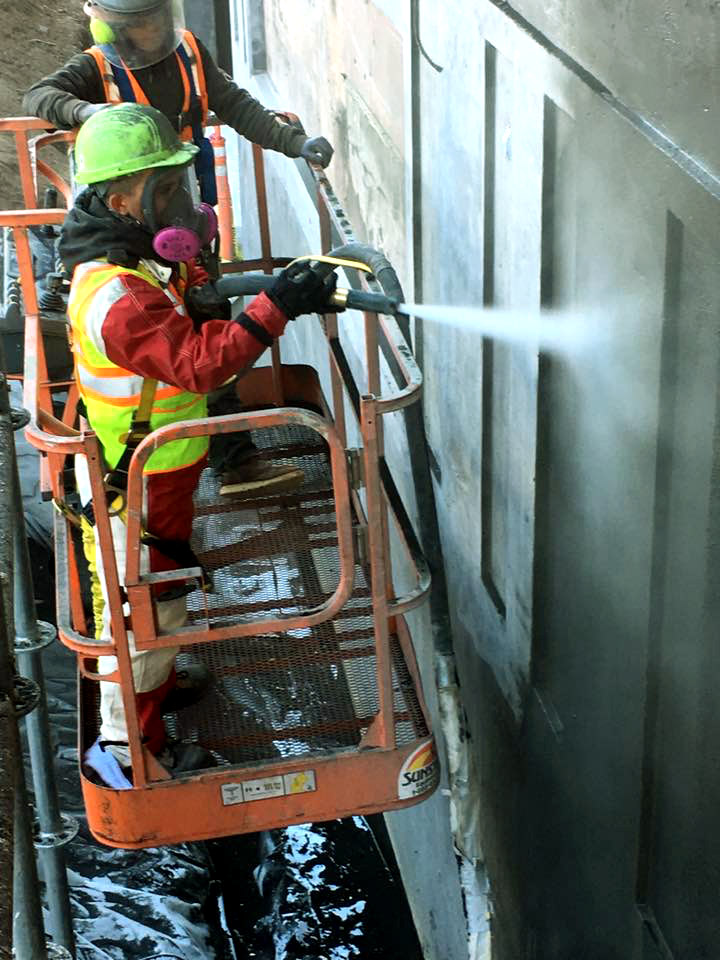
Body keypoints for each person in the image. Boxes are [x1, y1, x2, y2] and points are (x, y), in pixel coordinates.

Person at [59, 103, 338, 786]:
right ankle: (127, 758)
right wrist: (275, 306)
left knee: (162, 592)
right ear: (123, 199)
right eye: (167, 188)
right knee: (142, 616)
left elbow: (185, 328)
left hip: (163, 469)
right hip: (142, 479)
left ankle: (151, 692)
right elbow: (199, 366)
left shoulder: (131, 262)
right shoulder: (117, 295)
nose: (183, 201)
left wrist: (233, 297)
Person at [24, 0, 332, 494]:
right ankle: (181, 455)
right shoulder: (95, 67)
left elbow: (235, 104)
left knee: (209, 318)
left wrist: (291, 141)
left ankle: (234, 460)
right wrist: (88, 113)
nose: (150, 33)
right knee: (180, 341)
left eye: (156, 20)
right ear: (109, 25)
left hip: (179, 222)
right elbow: (38, 95)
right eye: (138, 24)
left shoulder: (189, 52)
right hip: (131, 232)